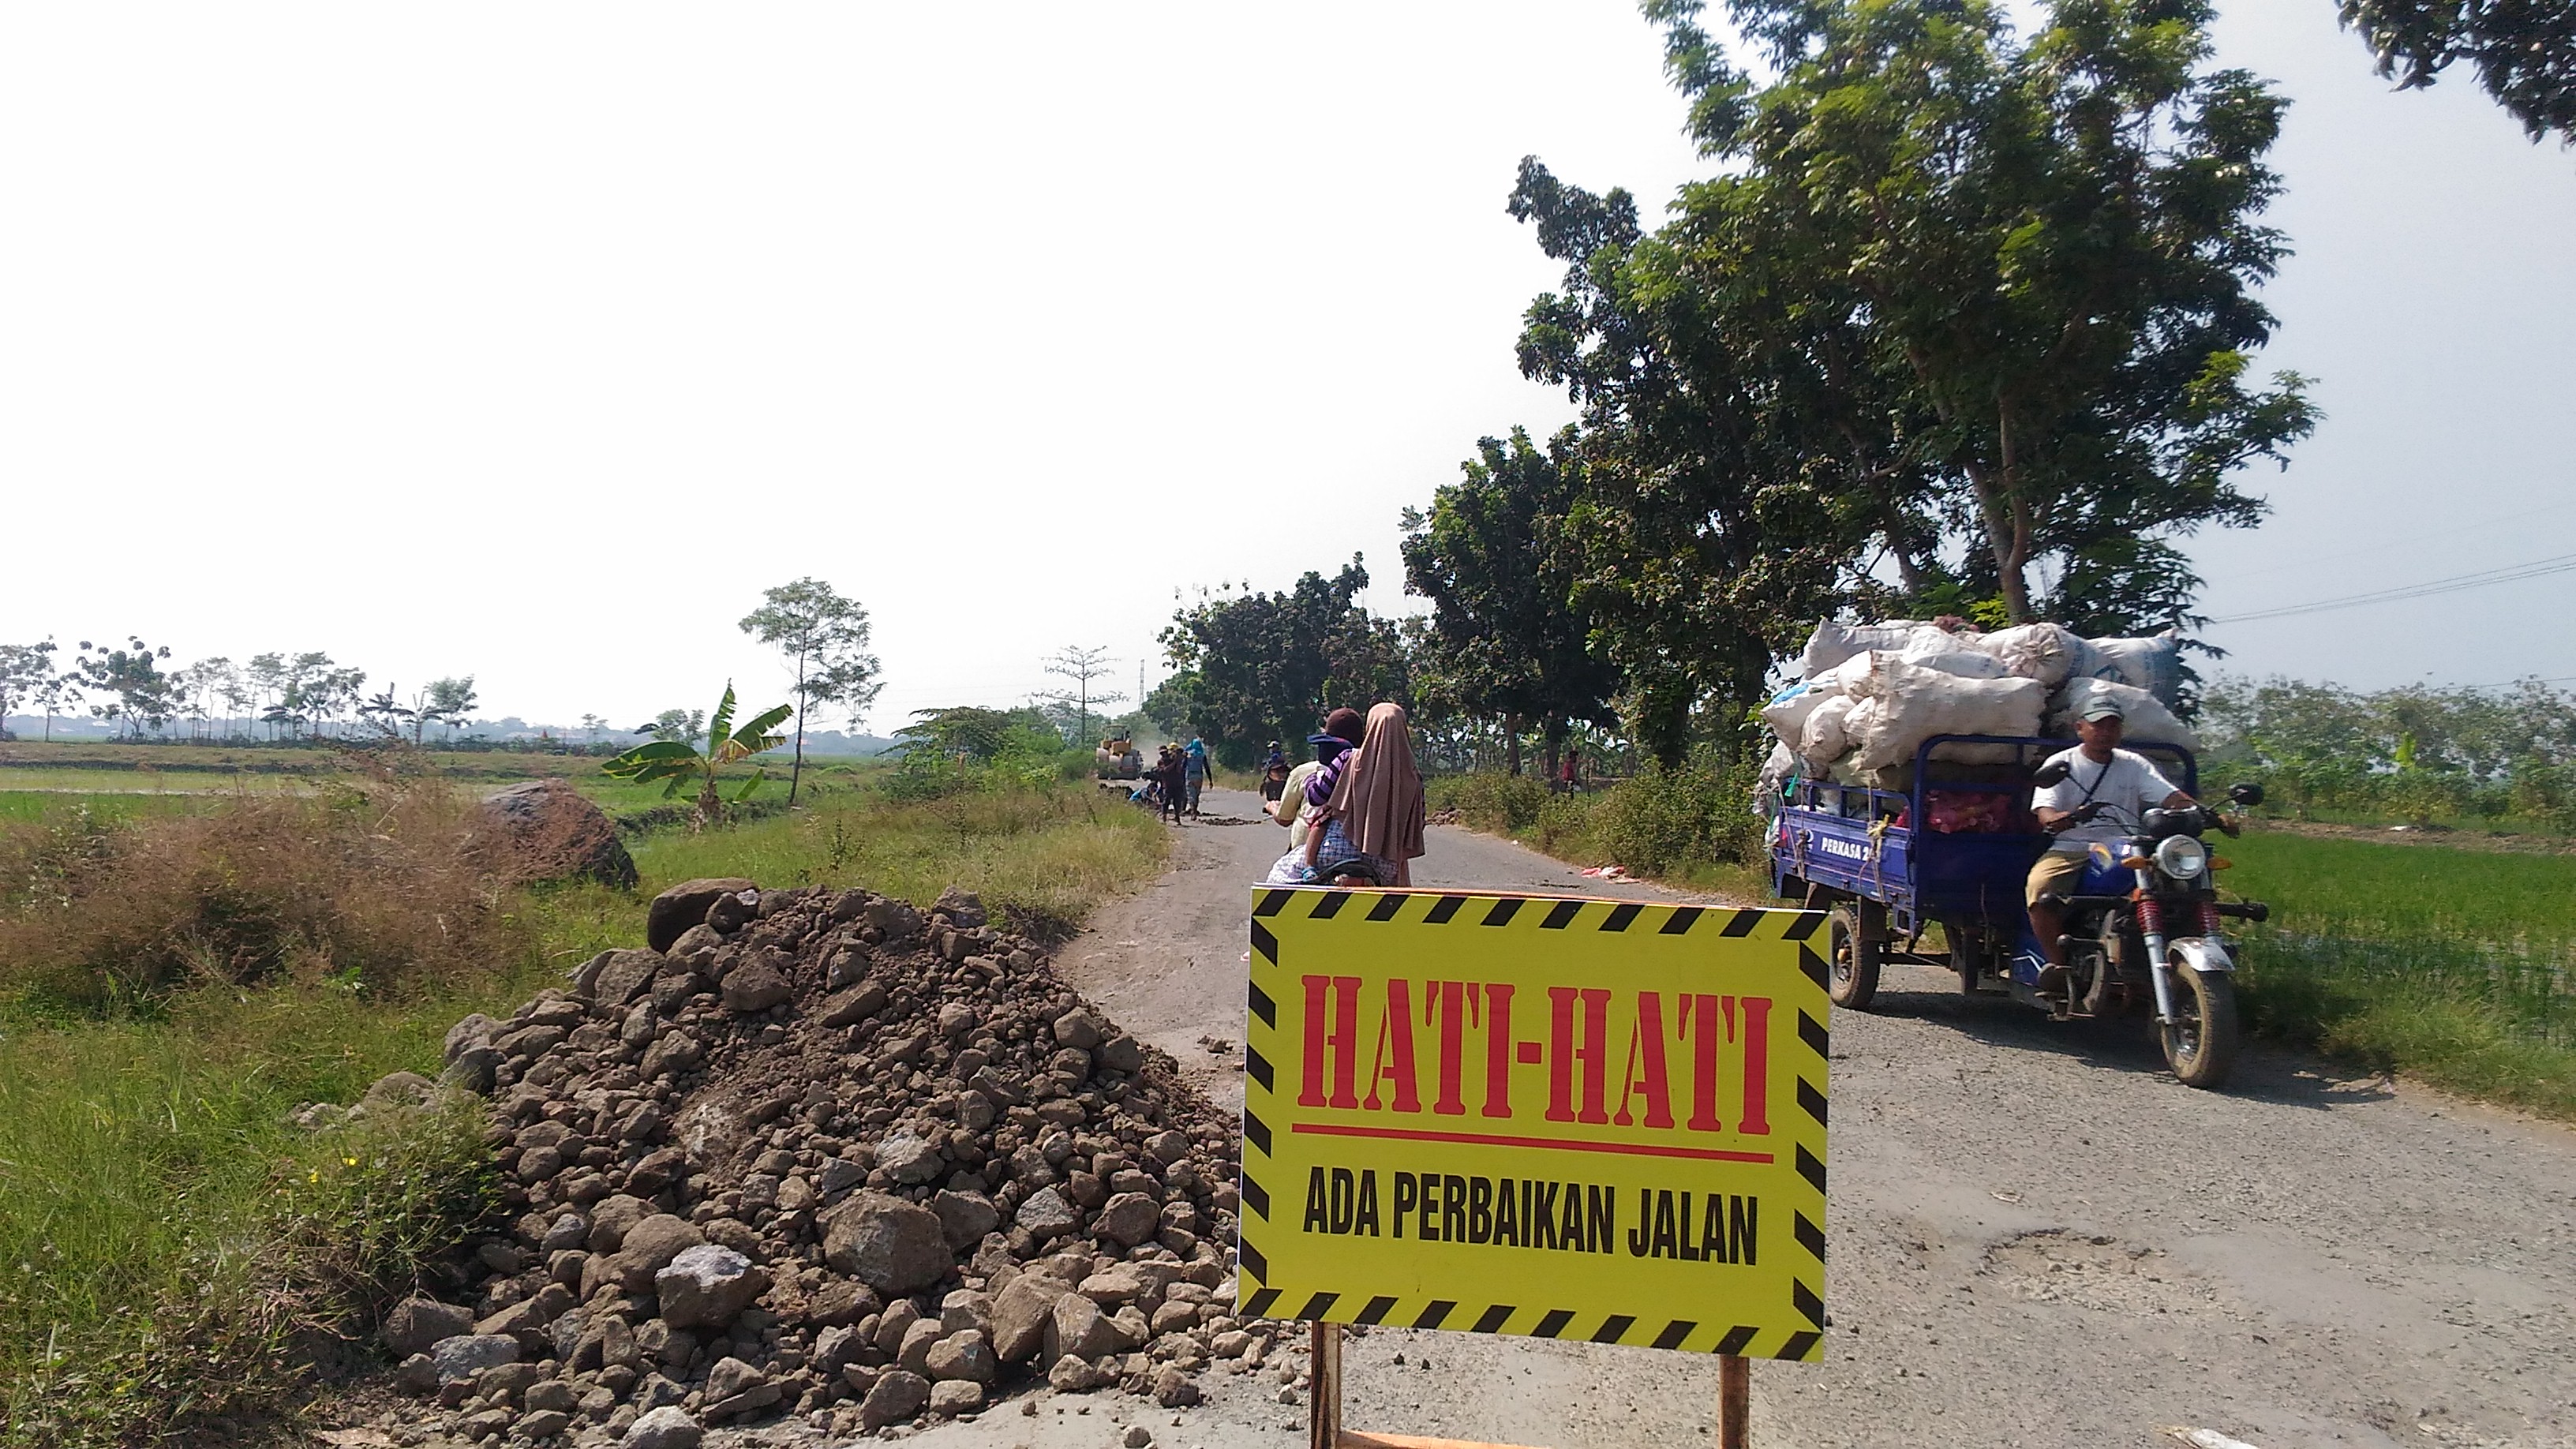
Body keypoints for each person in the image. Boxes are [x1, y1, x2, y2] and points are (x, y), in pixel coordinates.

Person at [2026, 697, 2216, 1002]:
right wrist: (2070, 817)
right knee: (2040, 888)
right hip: (2073, 846)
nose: (2106, 731)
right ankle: (2058, 967)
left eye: (2113, 725)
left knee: (2179, 886)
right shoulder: (2062, 764)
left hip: (2124, 846)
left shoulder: (2133, 764)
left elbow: (2169, 796)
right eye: (2099, 725)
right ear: (2080, 728)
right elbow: (2046, 814)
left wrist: (2208, 813)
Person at [1304, 702, 1427, 887]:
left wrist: (1311, 779)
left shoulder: (1347, 758)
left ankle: (1308, 868)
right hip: (1385, 864)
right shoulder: (1414, 777)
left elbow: (1316, 797)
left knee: (1282, 874)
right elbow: (1419, 822)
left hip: (1335, 851)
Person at [1184, 736, 1211, 816]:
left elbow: (1183, 766)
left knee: (1190, 794)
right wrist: (1210, 780)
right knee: (1196, 794)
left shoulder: (1188, 755)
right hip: (1199, 777)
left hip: (1189, 776)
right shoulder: (1202, 755)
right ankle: (1195, 810)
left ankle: (1193, 812)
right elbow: (1207, 768)